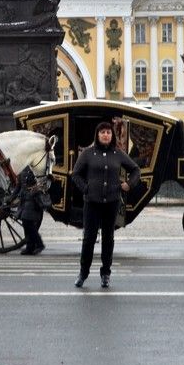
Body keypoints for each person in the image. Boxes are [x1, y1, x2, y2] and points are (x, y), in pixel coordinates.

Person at [70, 121, 140, 289]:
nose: (106, 135)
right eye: (102, 132)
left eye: (108, 132)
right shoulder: (87, 153)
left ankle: (106, 274)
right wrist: (86, 188)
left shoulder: (118, 153)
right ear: (97, 135)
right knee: (89, 239)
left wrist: (129, 184)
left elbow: (136, 170)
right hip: (92, 203)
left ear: (112, 135)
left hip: (111, 202)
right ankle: (83, 273)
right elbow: (76, 174)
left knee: (108, 239)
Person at [13, 166, 47, 255]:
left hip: (33, 200)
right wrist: (11, 197)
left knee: (28, 223)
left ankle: (39, 244)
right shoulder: (22, 169)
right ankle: (30, 247)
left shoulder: (37, 170)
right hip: (24, 200)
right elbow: (19, 186)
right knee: (26, 223)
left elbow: (43, 184)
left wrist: (33, 190)